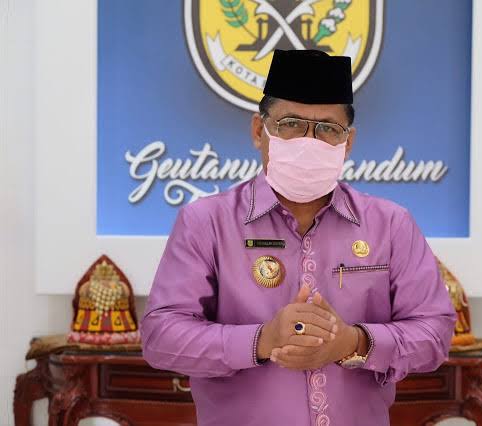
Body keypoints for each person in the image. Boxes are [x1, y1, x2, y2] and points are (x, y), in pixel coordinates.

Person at [141, 49, 456, 426]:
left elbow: (435, 333)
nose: (310, 141)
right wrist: (262, 340)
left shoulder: (391, 225)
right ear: (259, 131)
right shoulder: (206, 222)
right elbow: (161, 338)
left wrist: (355, 343)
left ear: (348, 143)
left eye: (328, 129)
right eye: (290, 124)